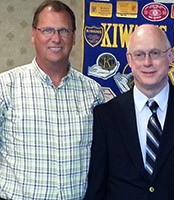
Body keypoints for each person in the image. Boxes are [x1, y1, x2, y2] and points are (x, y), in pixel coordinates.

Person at [0, 1, 104, 199]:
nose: (56, 39)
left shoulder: (94, 93)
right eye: (47, 30)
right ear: (33, 34)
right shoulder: (5, 87)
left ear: (73, 37)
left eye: (64, 30)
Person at [84, 24, 174, 200]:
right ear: (129, 60)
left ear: (170, 56)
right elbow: (97, 185)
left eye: (155, 53)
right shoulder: (106, 115)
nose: (147, 62)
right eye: (139, 55)